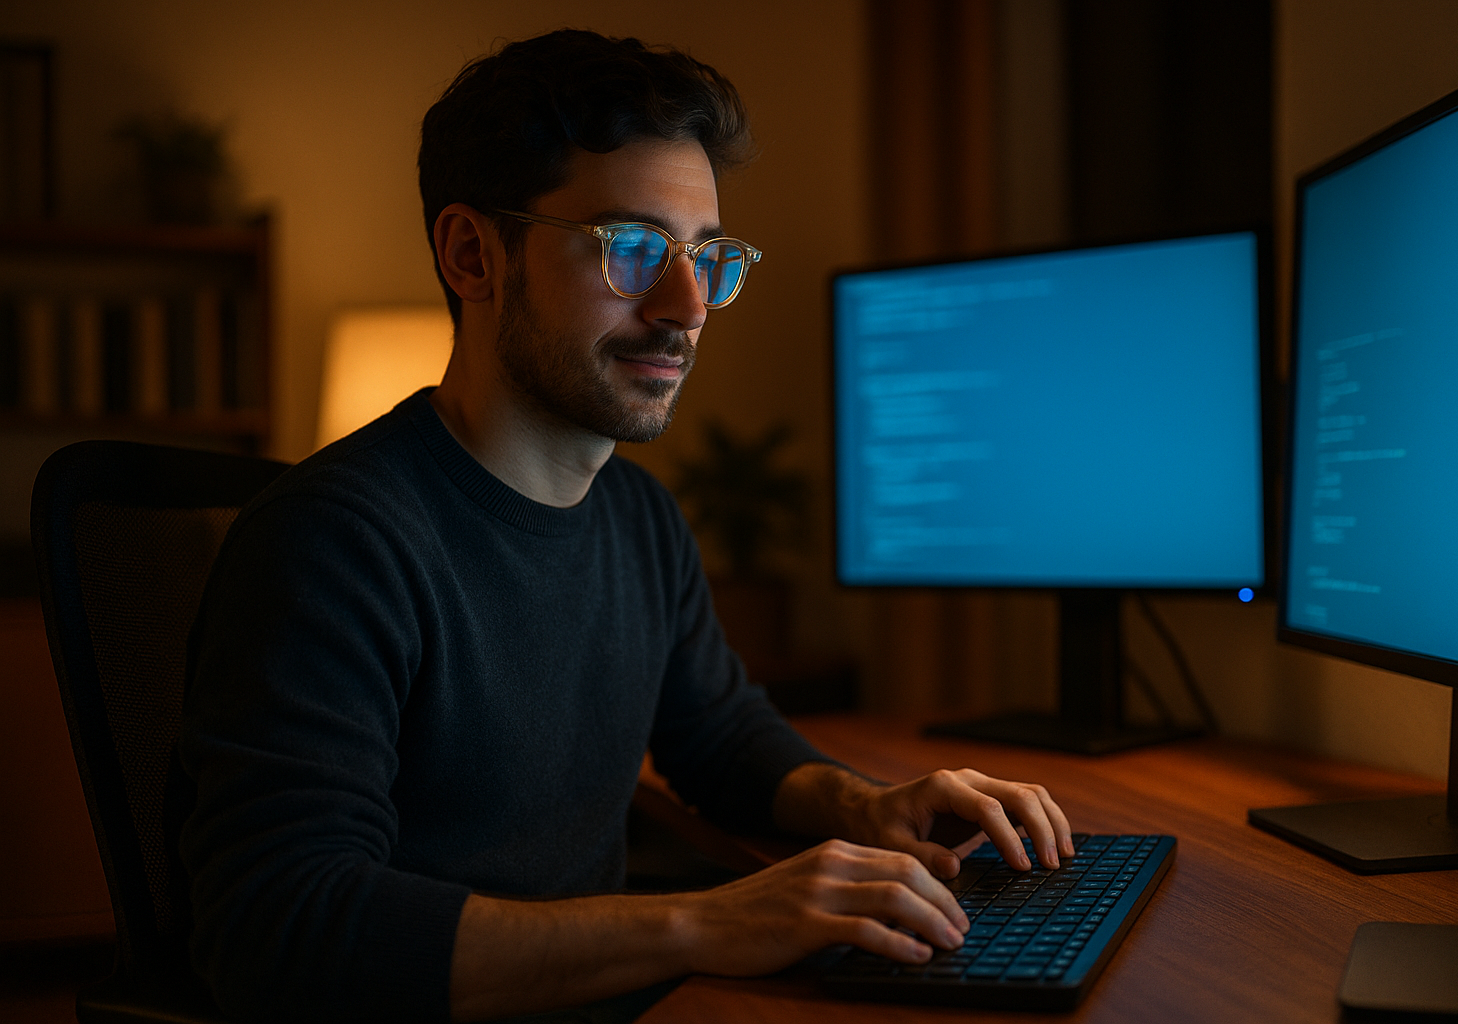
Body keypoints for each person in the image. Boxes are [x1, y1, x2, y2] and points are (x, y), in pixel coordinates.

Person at [178, 29, 1074, 1024]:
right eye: (634, 249)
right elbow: (282, 929)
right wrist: (701, 922)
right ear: (474, 254)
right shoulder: (334, 544)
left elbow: (721, 737)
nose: (687, 305)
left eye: (707, 257)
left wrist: (862, 805)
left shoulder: (639, 519)